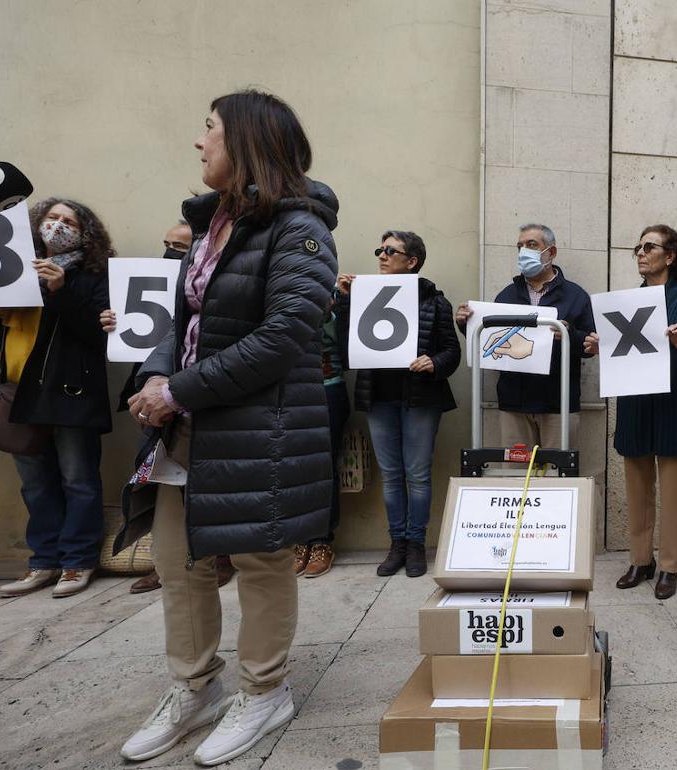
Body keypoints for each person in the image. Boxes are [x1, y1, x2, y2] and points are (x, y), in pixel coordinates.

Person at [115, 90, 338, 765]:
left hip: (256, 430)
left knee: (259, 559)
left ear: (245, 142)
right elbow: (178, 322)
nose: (198, 142)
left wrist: (178, 389)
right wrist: (156, 376)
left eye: (208, 129)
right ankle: (194, 686)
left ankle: (265, 690)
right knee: (177, 560)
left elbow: (285, 335)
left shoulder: (301, 227)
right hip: (190, 422)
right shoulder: (212, 226)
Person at [0, 198, 114, 599]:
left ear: (85, 232)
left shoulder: (95, 273)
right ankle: (43, 561)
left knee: (78, 480)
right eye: (52, 218)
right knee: (35, 483)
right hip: (18, 393)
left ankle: (77, 562)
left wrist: (59, 290)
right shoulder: (11, 267)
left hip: (70, 393)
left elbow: (97, 333)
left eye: (69, 221)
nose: (58, 226)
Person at [100, 222, 236, 594]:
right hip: (158, 398)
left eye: (181, 246)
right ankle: (172, 562)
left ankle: (219, 556)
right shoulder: (165, 283)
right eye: (168, 245)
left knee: (215, 486)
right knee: (166, 479)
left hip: (204, 395)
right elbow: (168, 332)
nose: (172, 253)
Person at [583, 225, 677, 600]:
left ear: (670, 255)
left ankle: (671, 565)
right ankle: (641, 560)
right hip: (635, 406)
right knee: (637, 490)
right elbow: (620, 352)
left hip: (674, 406)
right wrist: (597, 345)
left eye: (649, 247)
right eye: (637, 248)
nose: (641, 253)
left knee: (672, 492)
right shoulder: (624, 303)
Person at [337, 231, 460, 578]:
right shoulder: (363, 296)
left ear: (412, 261)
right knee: (391, 476)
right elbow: (348, 348)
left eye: (391, 250)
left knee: (418, 475)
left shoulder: (435, 301)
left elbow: (452, 352)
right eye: (380, 249)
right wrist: (346, 301)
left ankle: (417, 544)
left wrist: (433, 363)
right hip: (379, 397)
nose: (382, 255)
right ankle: (397, 545)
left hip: (420, 398)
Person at [455, 223, 595, 448]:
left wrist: (569, 335)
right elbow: (488, 345)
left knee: (557, 478)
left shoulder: (576, 296)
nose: (524, 252)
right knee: (516, 477)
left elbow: (590, 347)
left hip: (558, 404)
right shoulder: (506, 296)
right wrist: (465, 324)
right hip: (514, 405)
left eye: (532, 245)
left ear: (551, 252)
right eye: (520, 247)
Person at [292, 280, 351, 578]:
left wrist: (333, 308)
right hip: (289, 393)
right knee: (294, 468)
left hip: (328, 390)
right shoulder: (279, 284)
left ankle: (321, 541)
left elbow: (346, 344)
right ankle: (299, 539)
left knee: (324, 468)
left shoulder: (333, 292)